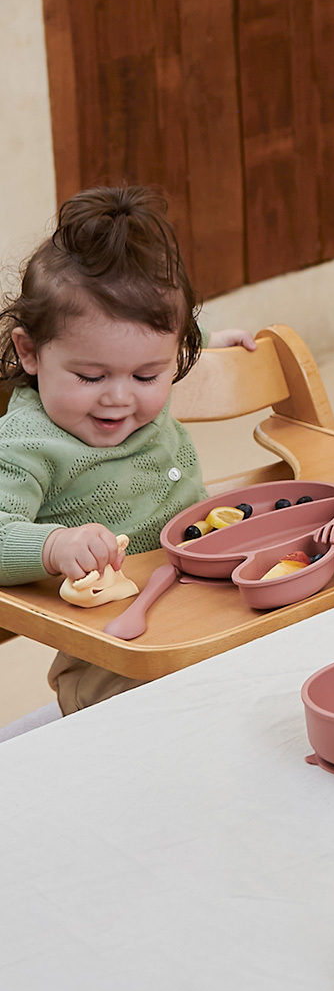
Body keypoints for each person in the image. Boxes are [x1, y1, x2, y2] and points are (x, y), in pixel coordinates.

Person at [0, 185, 255, 713]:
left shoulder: (134, 367)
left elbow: (147, 341)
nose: (119, 398)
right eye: (91, 376)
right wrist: (53, 547)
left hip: (207, 606)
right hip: (112, 659)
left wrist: (206, 348)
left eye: (147, 373)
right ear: (29, 351)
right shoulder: (27, 444)